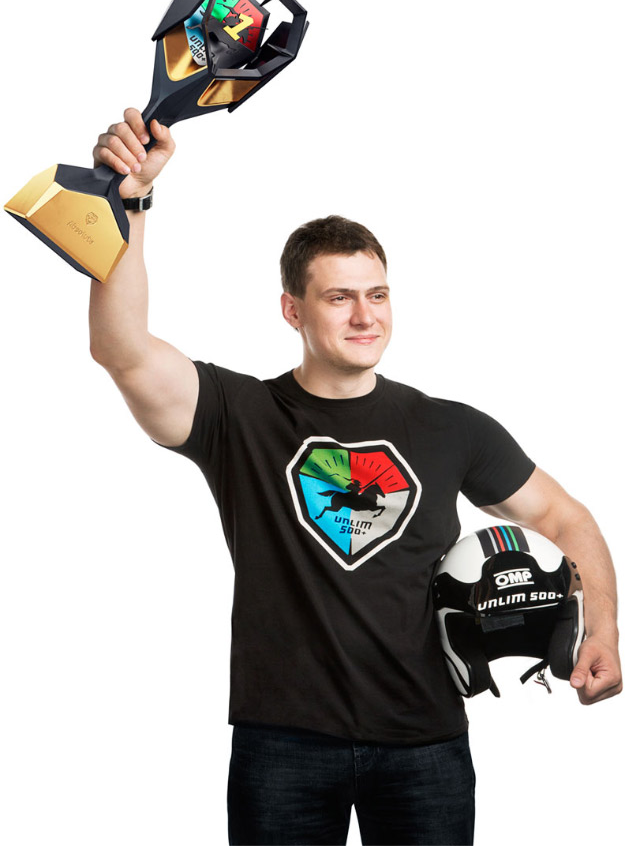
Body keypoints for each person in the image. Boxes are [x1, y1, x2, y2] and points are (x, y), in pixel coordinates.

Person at [90, 108, 622, 846]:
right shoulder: (239, 415)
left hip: (425, 744)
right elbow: (121, 348)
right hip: (283, 746)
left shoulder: (450, 426)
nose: (364, 315)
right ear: (293, 310)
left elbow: (566, 519)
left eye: (377, 294)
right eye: (338, 297)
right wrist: (132, 202)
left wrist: (603, 629)